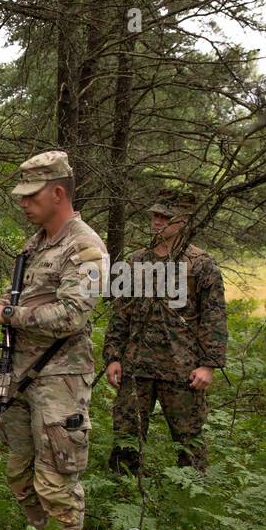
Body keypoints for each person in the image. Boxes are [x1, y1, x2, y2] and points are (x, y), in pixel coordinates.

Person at [0, 151, 107, 530]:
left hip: (60, 379)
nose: (23, 203)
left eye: (31, 196)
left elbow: (72, 316)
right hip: (21, 375)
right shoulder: (36, 243)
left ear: (58, 193)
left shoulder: (84, 248)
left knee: (56, 482)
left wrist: (7, 313)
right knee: (18, 471)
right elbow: (35, 301)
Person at [103, 190, 227, 474]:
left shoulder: (200, 264)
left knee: (188, 441)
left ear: (183, 221)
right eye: (155, 216)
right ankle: (123, 498)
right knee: (126, 438)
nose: (157, 222)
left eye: (165, 217)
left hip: (182, 369)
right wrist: (113, 356)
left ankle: (190, 502)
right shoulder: (135, 262)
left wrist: (209, 365)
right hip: (136, 367)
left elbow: (215, 317)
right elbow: (121, 314)